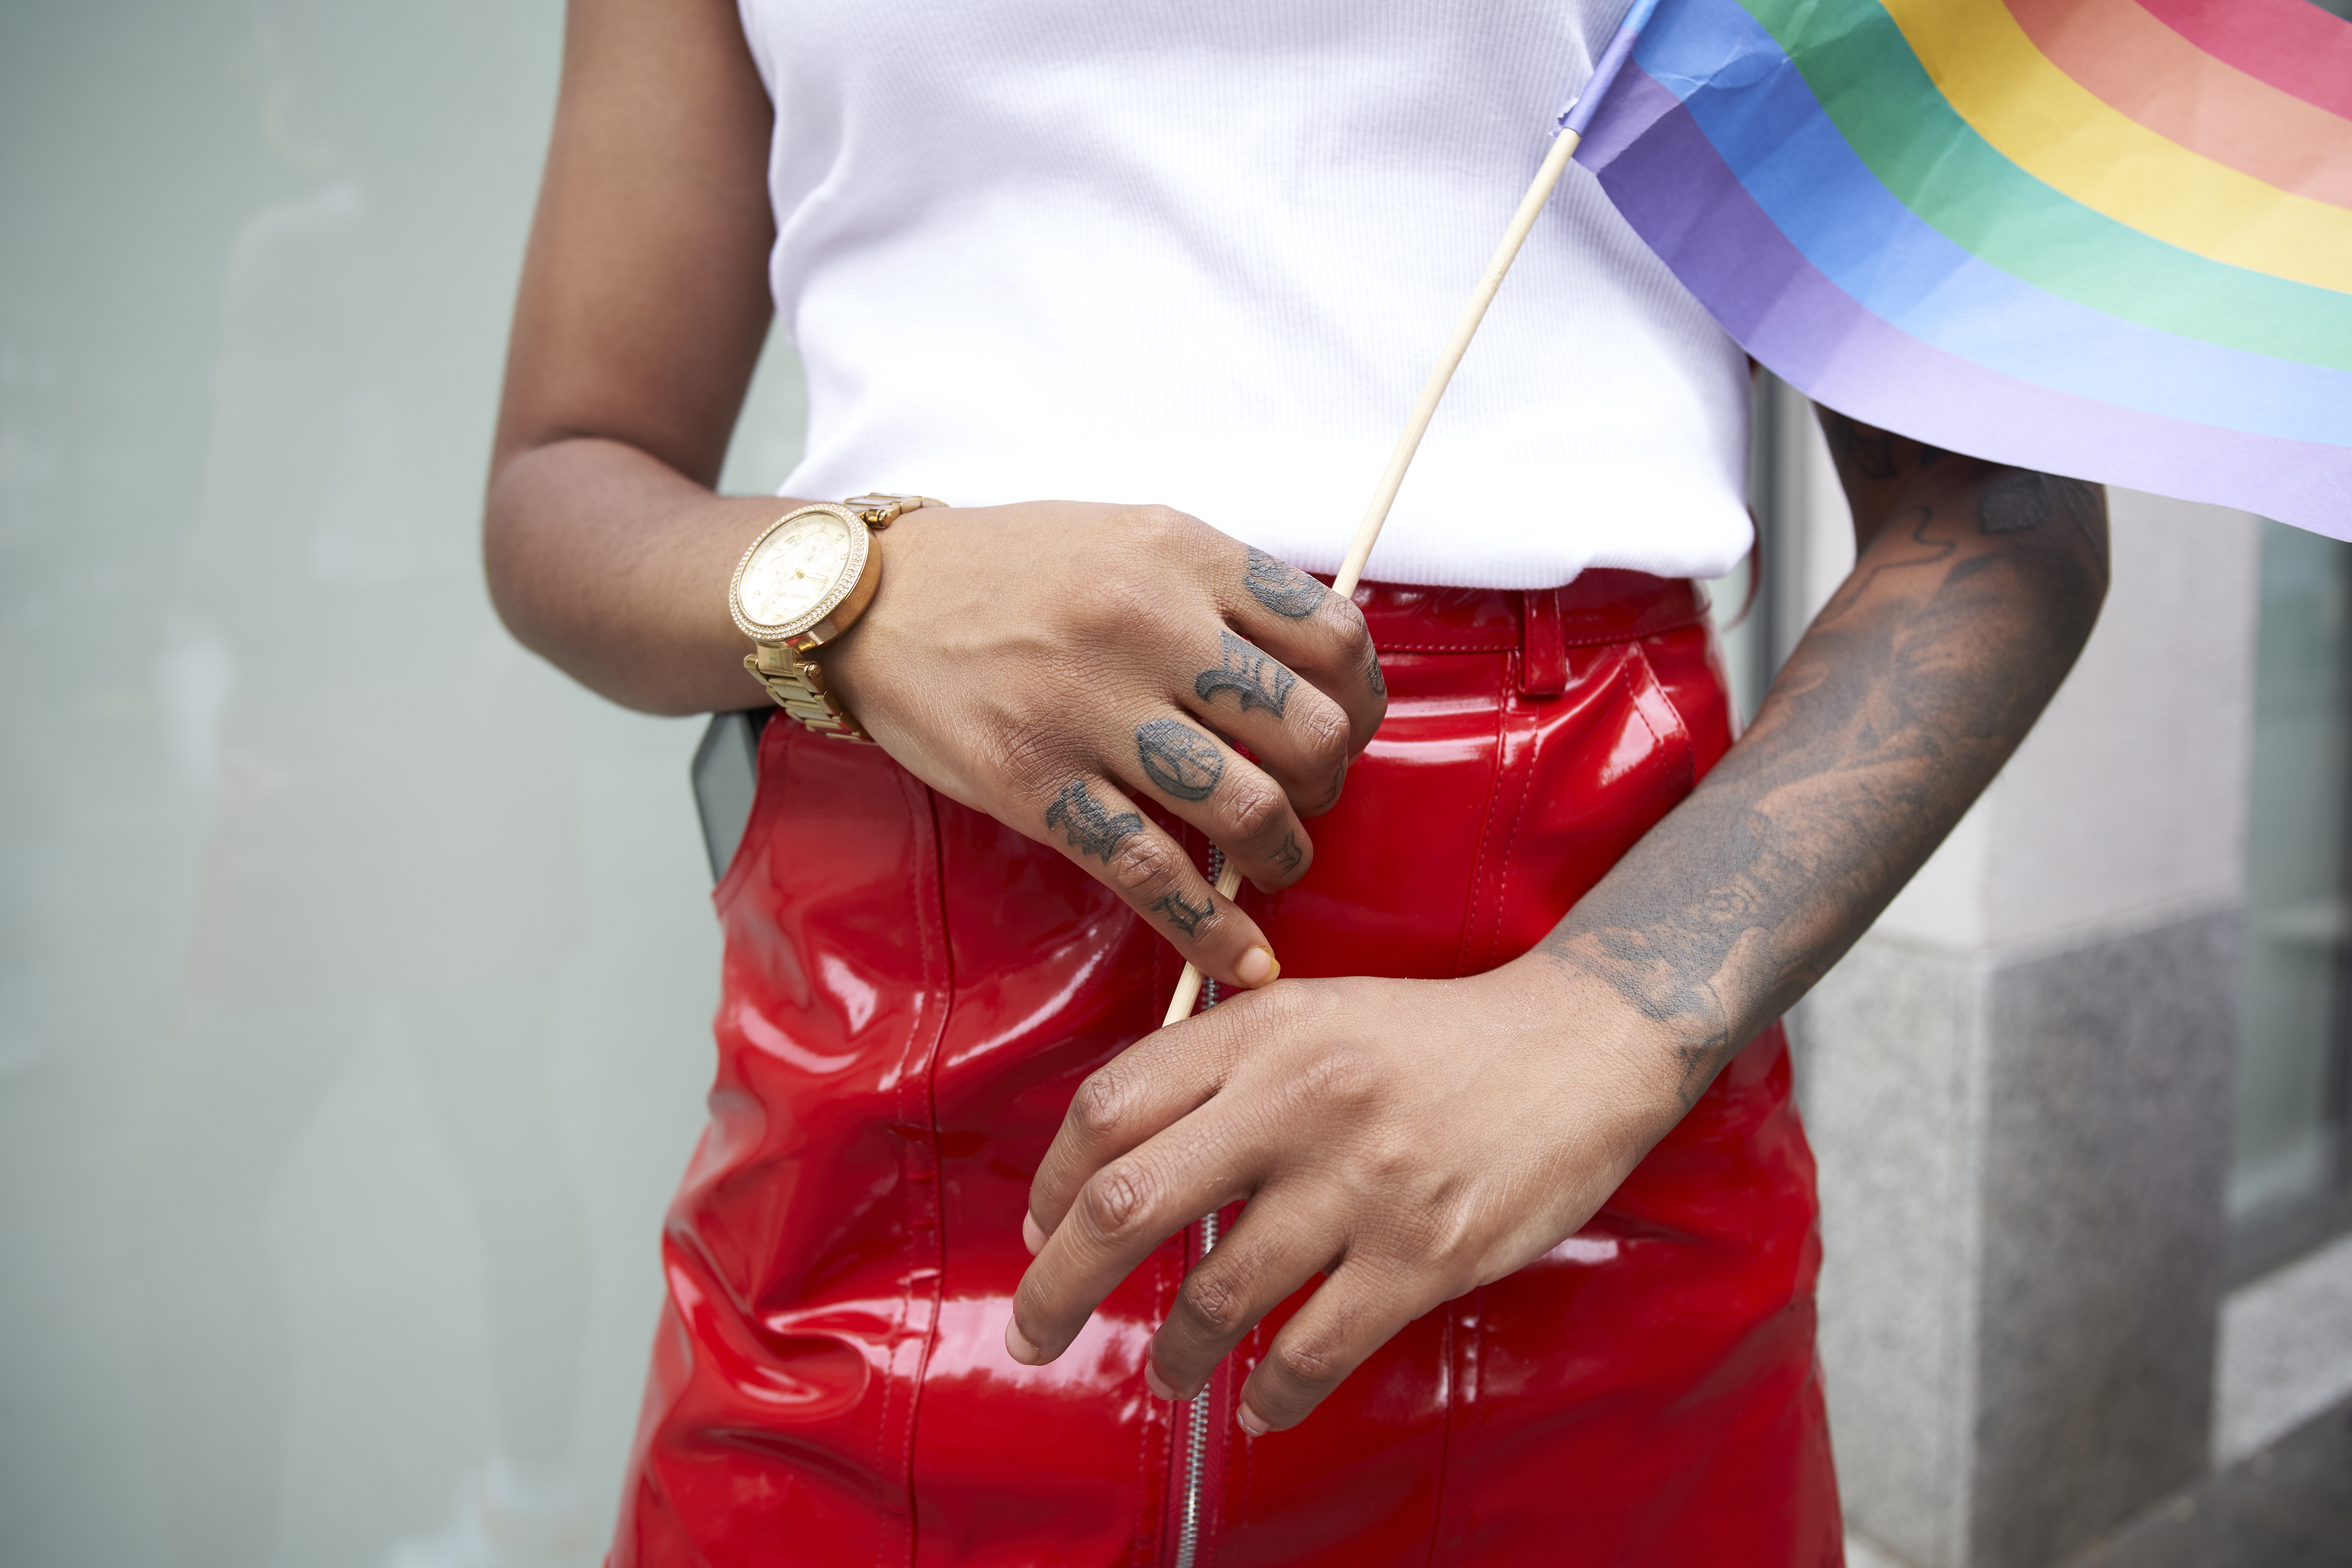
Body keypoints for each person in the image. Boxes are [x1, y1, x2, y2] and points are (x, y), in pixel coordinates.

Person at [484, 0, 2108, 1562]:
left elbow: (1994, 523)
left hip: (1564, 1079)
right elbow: (565, 484)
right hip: (885, 1125)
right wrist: (868, 590)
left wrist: (1608, 1019)